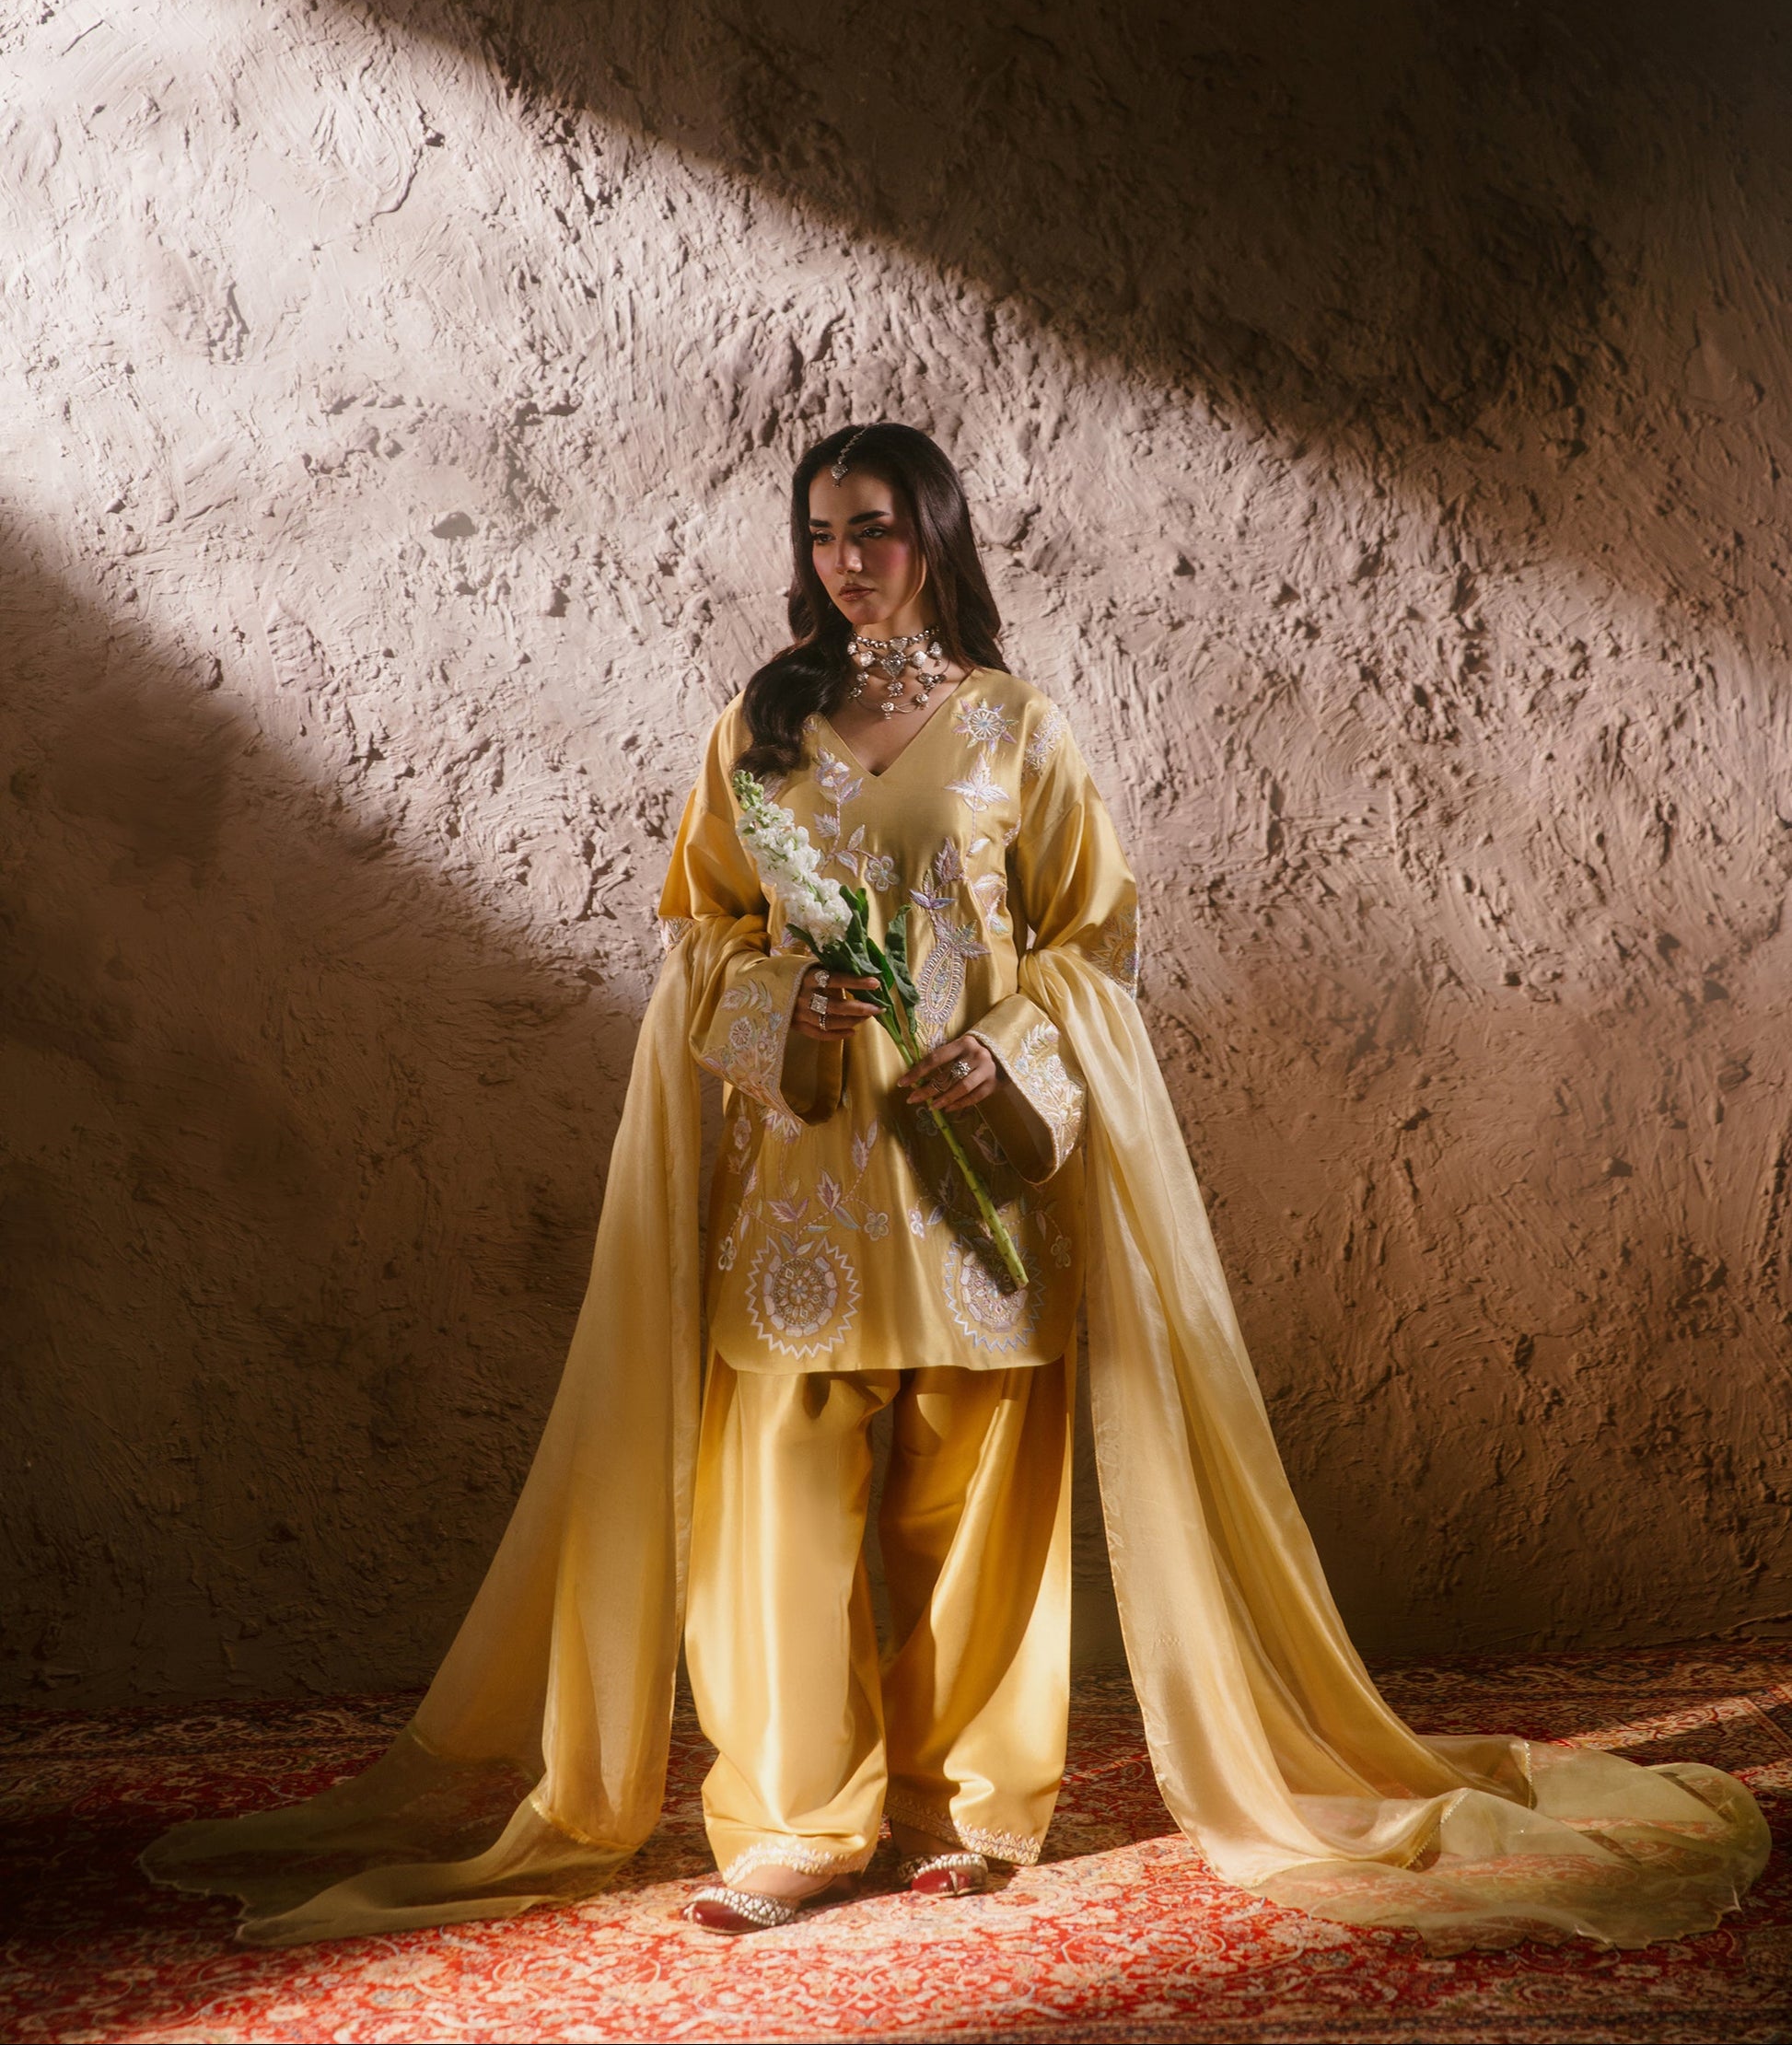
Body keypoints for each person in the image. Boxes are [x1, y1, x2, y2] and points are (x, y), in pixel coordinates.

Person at [144, 423, 1768, 1952]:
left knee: (974, 1500)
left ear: (933, 538)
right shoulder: (758, 727)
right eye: (822, 533)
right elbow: (700, 930)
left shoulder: (1015, 729)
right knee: (778, 1506)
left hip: (967, 1182)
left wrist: (1007, 1056)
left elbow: (1088, 944)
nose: (849, 557)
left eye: (877, 528)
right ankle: (795, 1817)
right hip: (800, 1191)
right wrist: (789, 1006)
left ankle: (969, 1807)